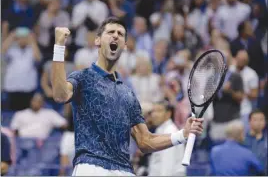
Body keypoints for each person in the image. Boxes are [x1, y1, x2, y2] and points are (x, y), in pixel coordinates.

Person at [51, 17, 204, 176]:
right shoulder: (82, 78)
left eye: (120, 34)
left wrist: (183, 134)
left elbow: (145, 141)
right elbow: (60, 95)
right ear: (97, 40)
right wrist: (59, 47)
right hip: (91, 167)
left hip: (124, 170)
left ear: (124, 46)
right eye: (110, 32)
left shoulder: (128, 94)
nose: (115, 35)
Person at [148, 101, 186, 176]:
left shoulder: (170, 132)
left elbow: (167, 167)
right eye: (153, 111)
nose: (154, 114)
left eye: (159, 111)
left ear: (168, 114)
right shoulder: (160, 129)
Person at [244, 109, 268, 175]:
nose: (259, 122)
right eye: (255, 120)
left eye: (261, 119)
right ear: (249, 121)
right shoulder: (242, 140)